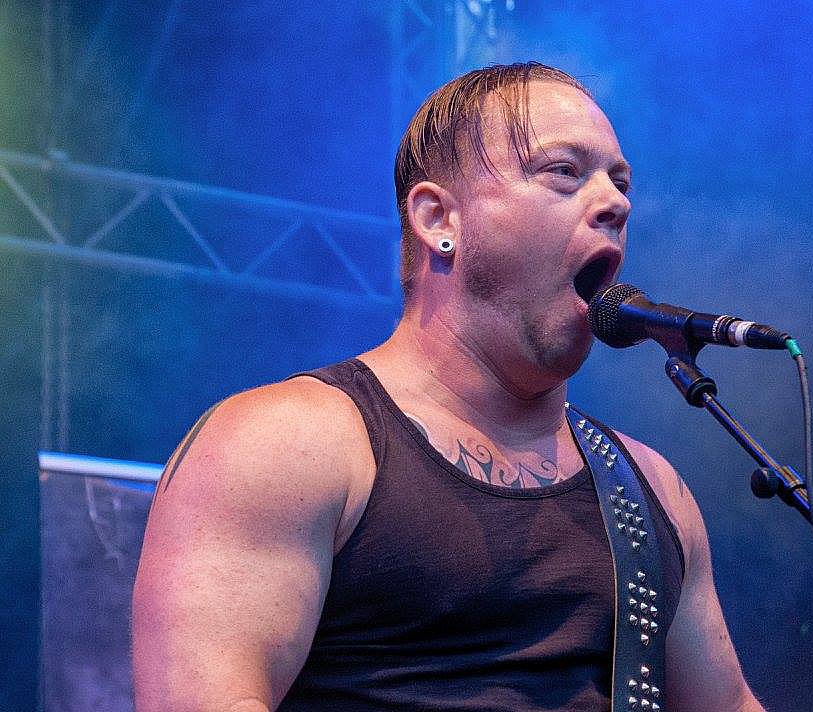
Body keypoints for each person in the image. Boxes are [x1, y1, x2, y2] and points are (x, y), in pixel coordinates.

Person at [132, 62, 765, 712]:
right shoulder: (286, 443)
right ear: (440, 219)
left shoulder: (652, 489)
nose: (616, 203)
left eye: (620, 182)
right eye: (564, 172)